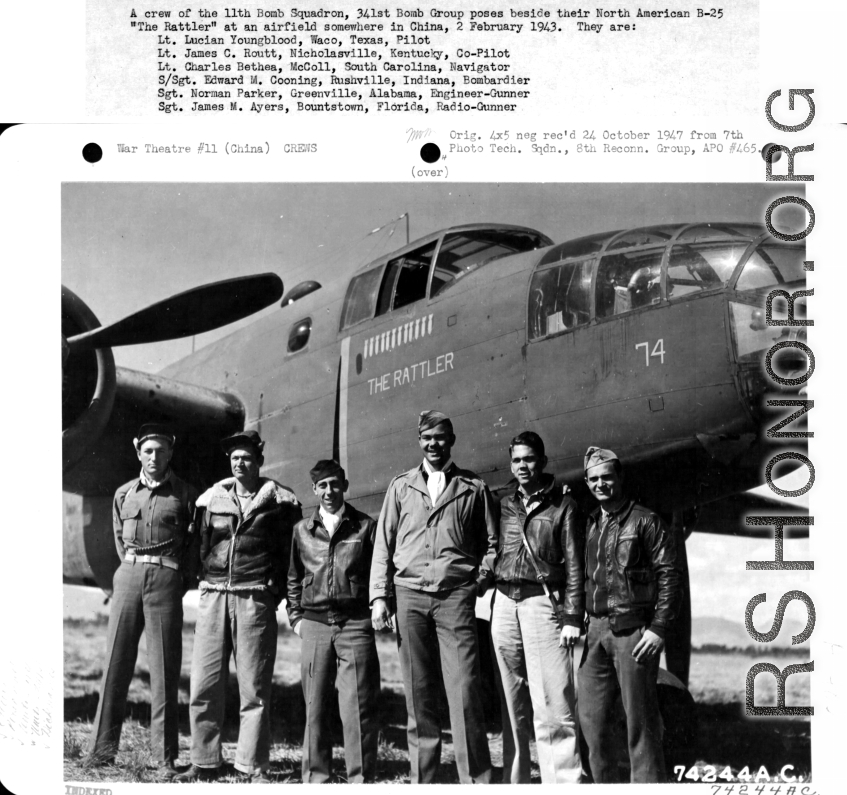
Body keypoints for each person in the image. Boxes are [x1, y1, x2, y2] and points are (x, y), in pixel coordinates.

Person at [370, 410, 497, 784]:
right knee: (418, 694)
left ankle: (475, 780)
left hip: (455, 599)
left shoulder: (474, 488)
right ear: (419, 441)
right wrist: (380, 596)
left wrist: (478, 580)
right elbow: (383, 545)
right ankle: (422, 781)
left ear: (452, 440)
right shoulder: (401, 487)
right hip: (409, 597)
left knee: (465, 692)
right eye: (427, 438)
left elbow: (492, 544)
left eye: (440, 437)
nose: (434, 444)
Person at [175, 430, 301, 783]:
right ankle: (203, 761)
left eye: (246, 457)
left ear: (260, 461)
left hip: (254, 599)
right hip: (214, 596)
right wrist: (205, 580)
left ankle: (252, 765)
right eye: (234, 458)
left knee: (254, 687)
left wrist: (272, 591)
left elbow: (289, 553)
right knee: (203, 683)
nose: (240, 463)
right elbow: (198, 547)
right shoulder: (210, 501)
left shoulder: (282, 504)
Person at [86, 423, 199, 779]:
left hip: (166, 579)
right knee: (116, 664)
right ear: (139, 453)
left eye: (161, 451)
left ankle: (163, 759)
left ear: (171, 453)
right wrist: (132, 569)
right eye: (148, 451)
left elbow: (192, 544)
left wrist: (175, 578)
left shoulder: (185, 494)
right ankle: (101, 753)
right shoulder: (124, 494)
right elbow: (121, 541)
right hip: (129, 575)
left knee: (165, 669)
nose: (154, 457)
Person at [578, 446, 681, 783]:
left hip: (632, 633)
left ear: (619, 477)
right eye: (593, 479)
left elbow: (669, 574)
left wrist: (658, 628)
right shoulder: (592, 523)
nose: (600, 484)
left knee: (641, 726)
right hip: (595, 631)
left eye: (607, 477)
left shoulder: (645, 521)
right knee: (592, 723)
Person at [485, 431, 583, 784]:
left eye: (528, 459)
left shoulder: (564, 506)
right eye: (516, 460)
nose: (522, 466)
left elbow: (575, 566)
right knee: (512, 704)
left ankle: (563, 784)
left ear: (542, 462)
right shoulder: (503, 504)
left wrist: (572, 616)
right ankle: (518, 785)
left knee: (554, 705)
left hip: (543, 603)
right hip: (504, 604)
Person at [287, 459, 381, 783]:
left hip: (354, 623)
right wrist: (296, 618)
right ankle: (316, 779)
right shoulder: (301, 530)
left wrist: (371, 614)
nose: (329, 491)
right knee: (314, 706)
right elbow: (293, 577)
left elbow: (378, 575)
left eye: (335, 484)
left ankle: (361, 779)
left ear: (345, 486)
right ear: (314, 490)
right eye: (322, 486)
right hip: (314, 625)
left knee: (358, 706)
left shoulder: (365, 526)